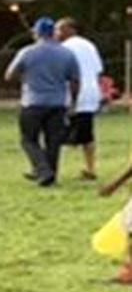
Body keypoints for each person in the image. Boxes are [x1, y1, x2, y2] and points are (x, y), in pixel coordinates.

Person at [4, 16, 80, 187]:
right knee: (53, 141)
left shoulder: (27, 52)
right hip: (57, 103)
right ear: (53, 33)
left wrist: (25, 76)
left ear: (36, 33)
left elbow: (9, 75)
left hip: (32, 102)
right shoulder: (67, 53)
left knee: (28, 140)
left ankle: (43, 170)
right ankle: (51, 175)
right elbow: (75, 80)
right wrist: (73, 101)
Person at [55, 17, 105, 180]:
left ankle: (51, 169)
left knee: (55, 133)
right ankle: (90, 167)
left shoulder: (63, 48)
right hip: (90, 94)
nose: (56, 33)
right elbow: (98, 71)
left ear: (70, 29)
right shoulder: (89, 45)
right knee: (87, 134)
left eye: (59, 29)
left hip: (72, 95)